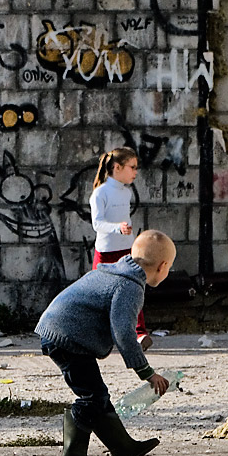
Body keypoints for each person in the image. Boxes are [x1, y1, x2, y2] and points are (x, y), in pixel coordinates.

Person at [36, 230, 176, 456]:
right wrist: (147, 372)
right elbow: (123, 332)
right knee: (92, 397)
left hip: (61, 332)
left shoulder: (115, 269)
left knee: (97, 393)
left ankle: (123, 448)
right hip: (67, 339)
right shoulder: (130, 286)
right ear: (163, 266)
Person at [89, 146, 152, 351]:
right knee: (100, 294)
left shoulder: (125, 192)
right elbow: (97, 224)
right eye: (132, 167)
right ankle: (96, 334)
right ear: (117, 167)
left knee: (135, 289)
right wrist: (117, 228)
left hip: (126, 250)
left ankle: (139, 333)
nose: (135, 172)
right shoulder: (100, 193)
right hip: (106, 252)